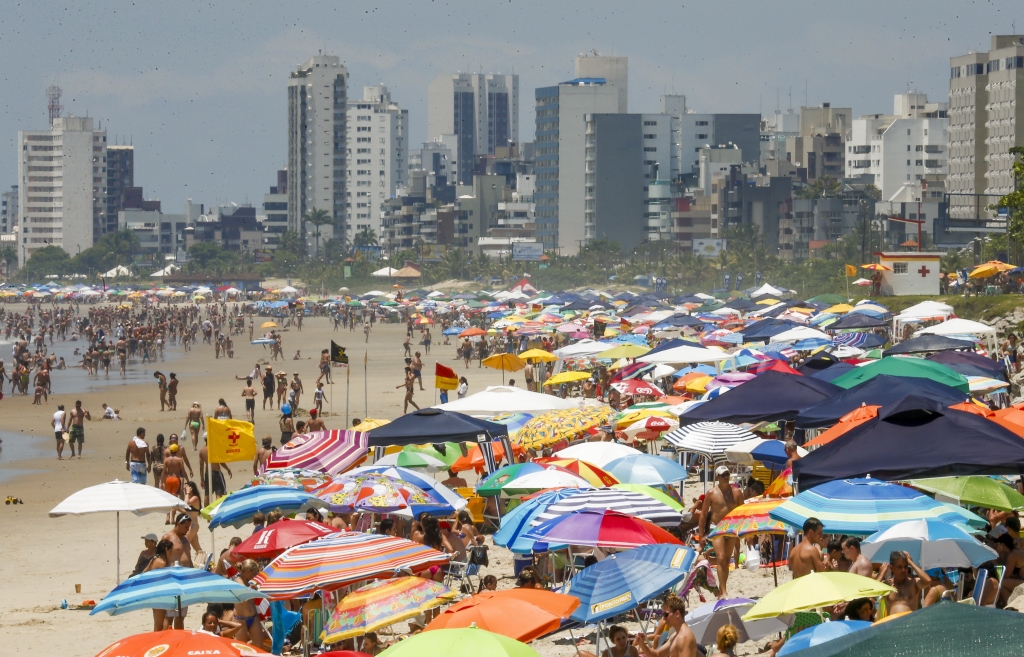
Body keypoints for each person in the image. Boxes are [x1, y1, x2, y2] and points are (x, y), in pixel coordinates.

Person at [698, 465, 740, 598]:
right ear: (717, 477)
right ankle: (724, 591)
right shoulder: (711, 493)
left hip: (731, 528)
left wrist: (744, 532)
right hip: (716, 528)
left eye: (727, 474)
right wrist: (701, 535)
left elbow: (742, 512)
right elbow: (703, 515)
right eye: (723, 475)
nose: (726, 477)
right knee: (720, 558)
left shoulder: (737, 492)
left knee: (726, 560)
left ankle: (723, 589)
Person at [632, 594, 697, 657]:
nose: (663, 618)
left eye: (666, 614)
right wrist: (642, 644)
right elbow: (657, 654)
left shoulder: (683, 638)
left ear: (677, 614)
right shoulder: (676, 635)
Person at [875, 550, 933, 616]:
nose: (903, 570)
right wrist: (881, 573)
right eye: (899, 567)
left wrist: (911, 563)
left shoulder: (913, 583)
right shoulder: (887, 585)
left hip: (910, 623)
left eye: (905, 566)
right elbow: (872, 593)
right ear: (892, 568)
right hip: (892, 624)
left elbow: (927, 581)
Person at [233, 559, 267, 647]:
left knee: (259, 647)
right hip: (240, 619)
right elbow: (244, 592)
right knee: (242, 648)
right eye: (255, 573)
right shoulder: (237, 580)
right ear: (248, 571)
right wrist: (253, 587)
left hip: (253, 617)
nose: (256, 575)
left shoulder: (249, 582)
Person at [144, 539, 174, 631]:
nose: (171, 554)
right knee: (159, 624)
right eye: (170, 551)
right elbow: (164, 580)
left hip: (154, 593)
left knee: (161, 621)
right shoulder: (162, 563)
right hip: (159, 595)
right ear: (166, 549)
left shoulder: (154, 559)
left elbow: (144, 572)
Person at [199, 435, 233, 507]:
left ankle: (207, 516)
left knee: (207, 495)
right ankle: (217, 512)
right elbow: (221, 462)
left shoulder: (202, 451)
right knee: (219, 494)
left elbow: (201, 467)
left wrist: (202, 479)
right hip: (217, 473)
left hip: (208, 473)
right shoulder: (215, 449)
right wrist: (228, 469)